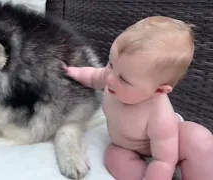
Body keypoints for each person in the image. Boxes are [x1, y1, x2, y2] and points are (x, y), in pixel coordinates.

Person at [63, 16, 213, 180]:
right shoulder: (113, 77)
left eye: (124, 80)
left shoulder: (160, 118)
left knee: (199, 140)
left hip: (168, 146)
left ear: (158, 90)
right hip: (127, 147)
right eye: (111, 64)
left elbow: (164, 160)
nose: (110, 78)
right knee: (115, 159)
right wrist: (74, 72)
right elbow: (93, 76)